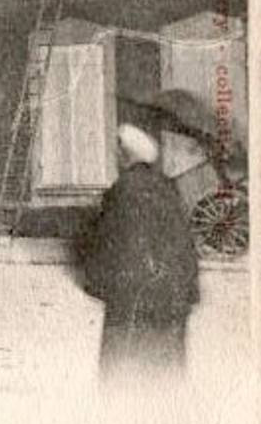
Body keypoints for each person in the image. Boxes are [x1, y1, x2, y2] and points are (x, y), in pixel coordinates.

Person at [78, 122, 201, 384]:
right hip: (173, 298)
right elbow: (184, 246)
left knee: (124, 375)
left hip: (135, 298)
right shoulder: (168, 188)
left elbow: (114, 246)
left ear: (124, 156)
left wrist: (99, 283)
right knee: (166, 377)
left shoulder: (124, 191)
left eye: (116, 153)